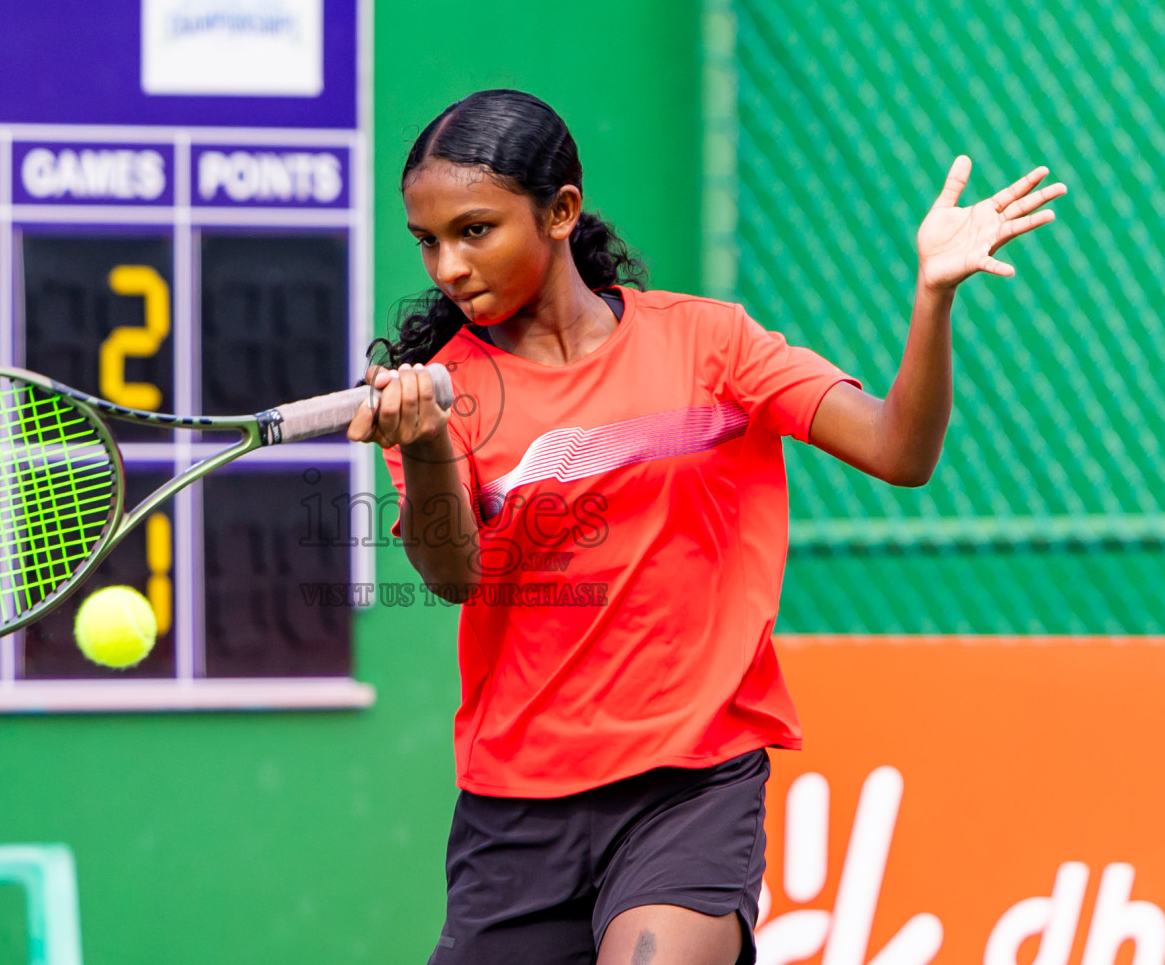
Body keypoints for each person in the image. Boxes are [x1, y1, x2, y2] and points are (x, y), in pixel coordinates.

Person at [347, 89, 1064, 965]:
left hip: (689, 784)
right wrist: (423, 448)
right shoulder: (445, 391)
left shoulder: (710, 346)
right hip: (518, 805)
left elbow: (898, 450)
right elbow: (456, 578)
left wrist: (933, 298)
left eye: (475, 230)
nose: (449, 266)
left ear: (561, 211)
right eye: (429, 241)